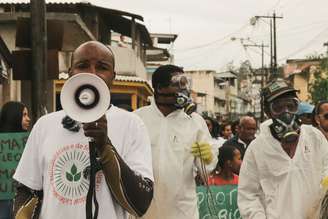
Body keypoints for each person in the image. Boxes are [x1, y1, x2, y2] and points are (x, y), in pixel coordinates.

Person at [13, 41, 154, 219]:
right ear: (70, 73)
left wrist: (105, 146)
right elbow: (27, 191)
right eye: (82, 66)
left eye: (102, 67)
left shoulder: (132, 125)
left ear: (113, 76)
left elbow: (140, 204)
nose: (92, 73)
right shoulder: (45, 125)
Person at [238, 78, 328, 218]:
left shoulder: (315, 138)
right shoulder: (257, 149)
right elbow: (248, 195)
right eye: (278, 108)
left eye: (291, 106)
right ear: (268, 112)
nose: (286, 113)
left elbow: (326, 175)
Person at [134, 64, 213, 219]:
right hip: (145, 209)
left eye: (184, 84)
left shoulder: (195, 121)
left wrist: (208, 158)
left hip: (182, 211)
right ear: (159, 88)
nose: (183, 90)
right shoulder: (137, 119)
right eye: (178, 84)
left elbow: (205, 172)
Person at [0, 101, 30, 219]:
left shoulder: (30, 140)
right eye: (24, 115)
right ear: (14, 116)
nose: (28, 119)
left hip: (23, 198)